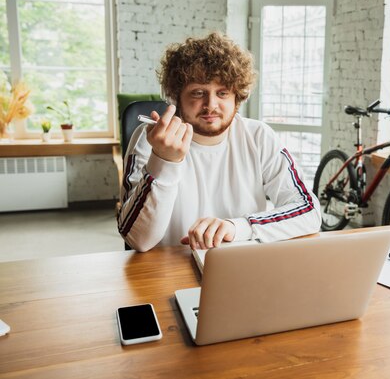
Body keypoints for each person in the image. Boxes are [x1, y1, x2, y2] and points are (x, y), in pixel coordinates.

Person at [117, 32, 321, 252]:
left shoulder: (258, 136)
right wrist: (165, 160)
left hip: (241, 265)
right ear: (177, 96)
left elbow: (309, 212)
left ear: (237, 97)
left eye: (222, 93)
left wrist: (238, 228)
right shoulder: (150, 139)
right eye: (198, 93)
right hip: (168, 272)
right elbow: (139, 240)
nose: (210, 105)